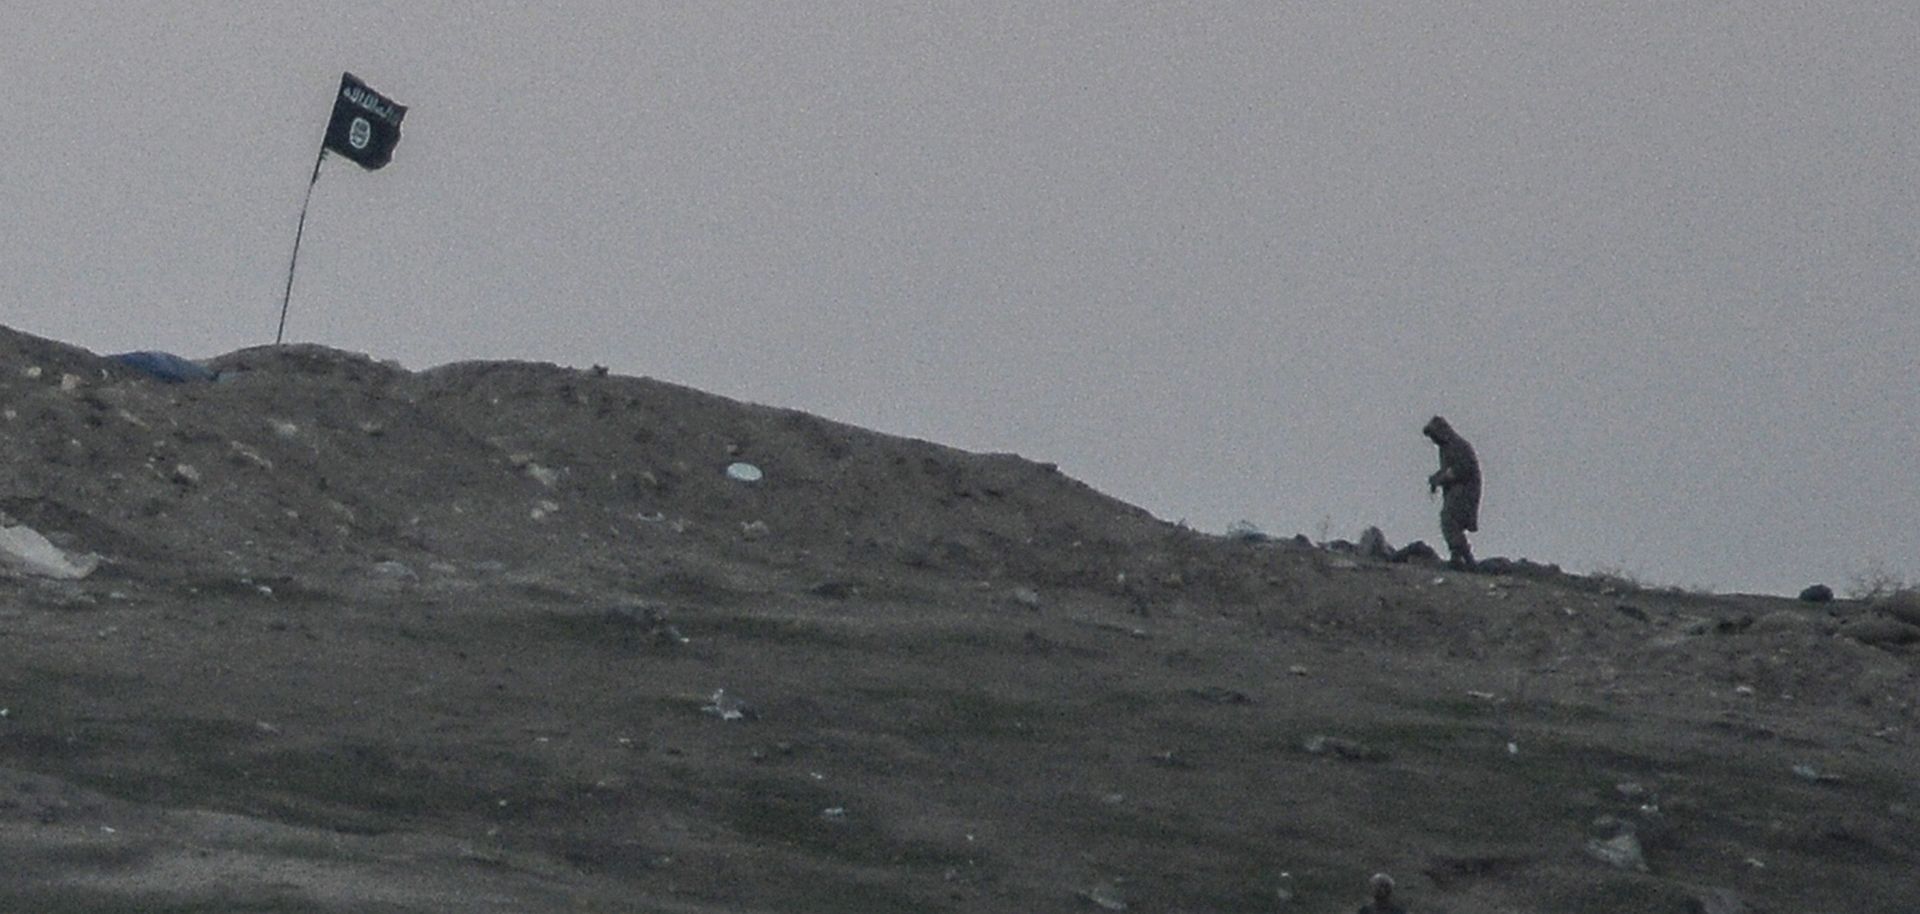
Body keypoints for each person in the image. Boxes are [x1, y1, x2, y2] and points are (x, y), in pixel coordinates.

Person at [1422, 416, 1480, 571]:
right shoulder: (1445, 448)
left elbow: (1462, 469)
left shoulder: (1457, 446)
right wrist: (1437, 478)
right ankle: (1460, 557)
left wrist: (1442, 478)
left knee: (1449, 519)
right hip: (1456, 491)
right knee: (1450, 522)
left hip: (1465, 490)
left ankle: (1465, 559)